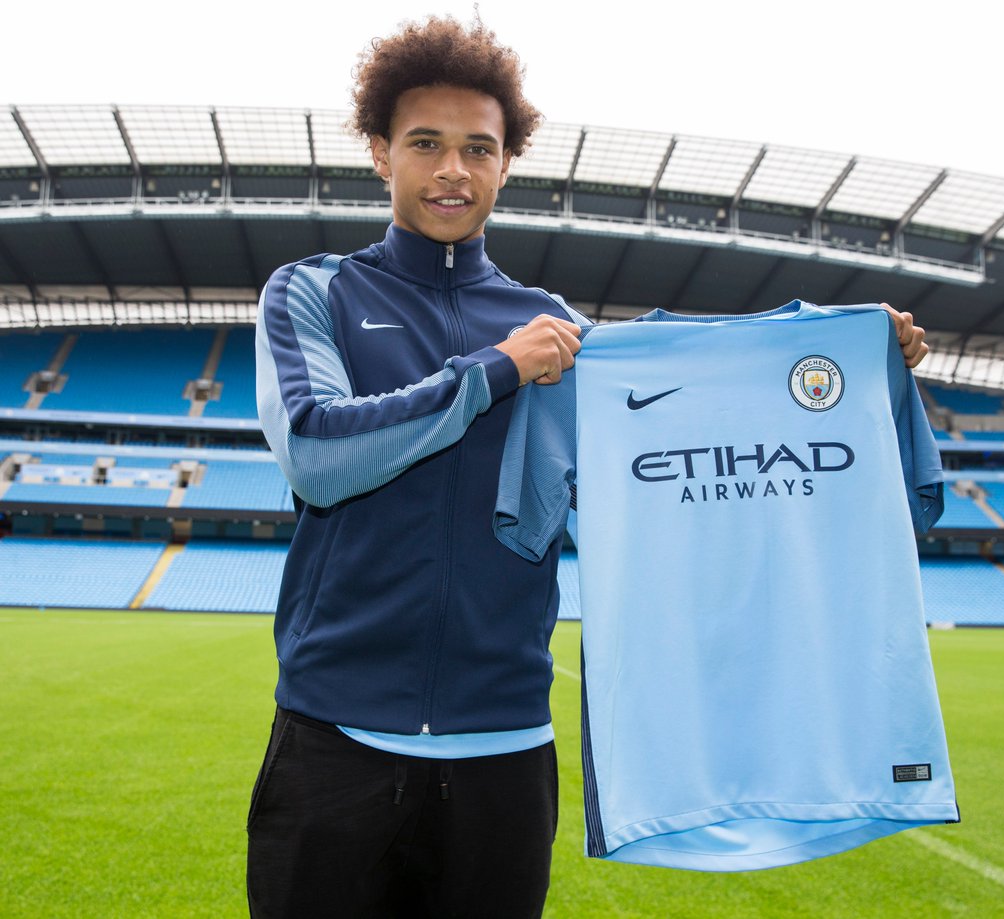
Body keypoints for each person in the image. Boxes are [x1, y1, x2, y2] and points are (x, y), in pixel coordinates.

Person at [247, 13, 927, 918]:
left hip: (504, 748)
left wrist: (843, 362)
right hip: (334, 739)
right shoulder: (313, 289)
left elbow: (685, 424)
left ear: (506, 164)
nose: (453, 170)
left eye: (479, 149)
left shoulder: (560, 326)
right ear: (380, 153)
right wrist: (495, 370)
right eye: (426, 143)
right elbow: (316, 453)